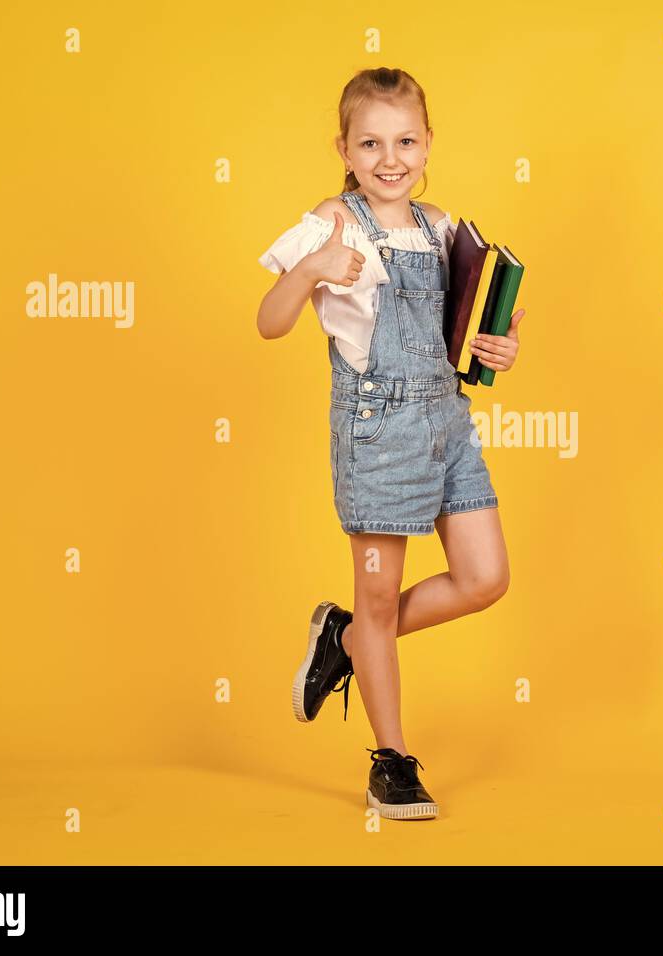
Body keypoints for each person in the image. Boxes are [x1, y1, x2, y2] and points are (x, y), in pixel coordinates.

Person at [255, 67, 525, 821]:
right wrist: (309, 269)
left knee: (484, 578)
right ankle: (392, 761)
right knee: (379, 594)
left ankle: (345, 638)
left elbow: (463, 335)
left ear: (428, 142)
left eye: (405, 140)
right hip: (379, 434)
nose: (390, 158)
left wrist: (499, 346)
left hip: (448, 424)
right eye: (370, 143)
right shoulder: (331, 222)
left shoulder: (442, 227)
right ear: (344, 147)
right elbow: (269, 321)